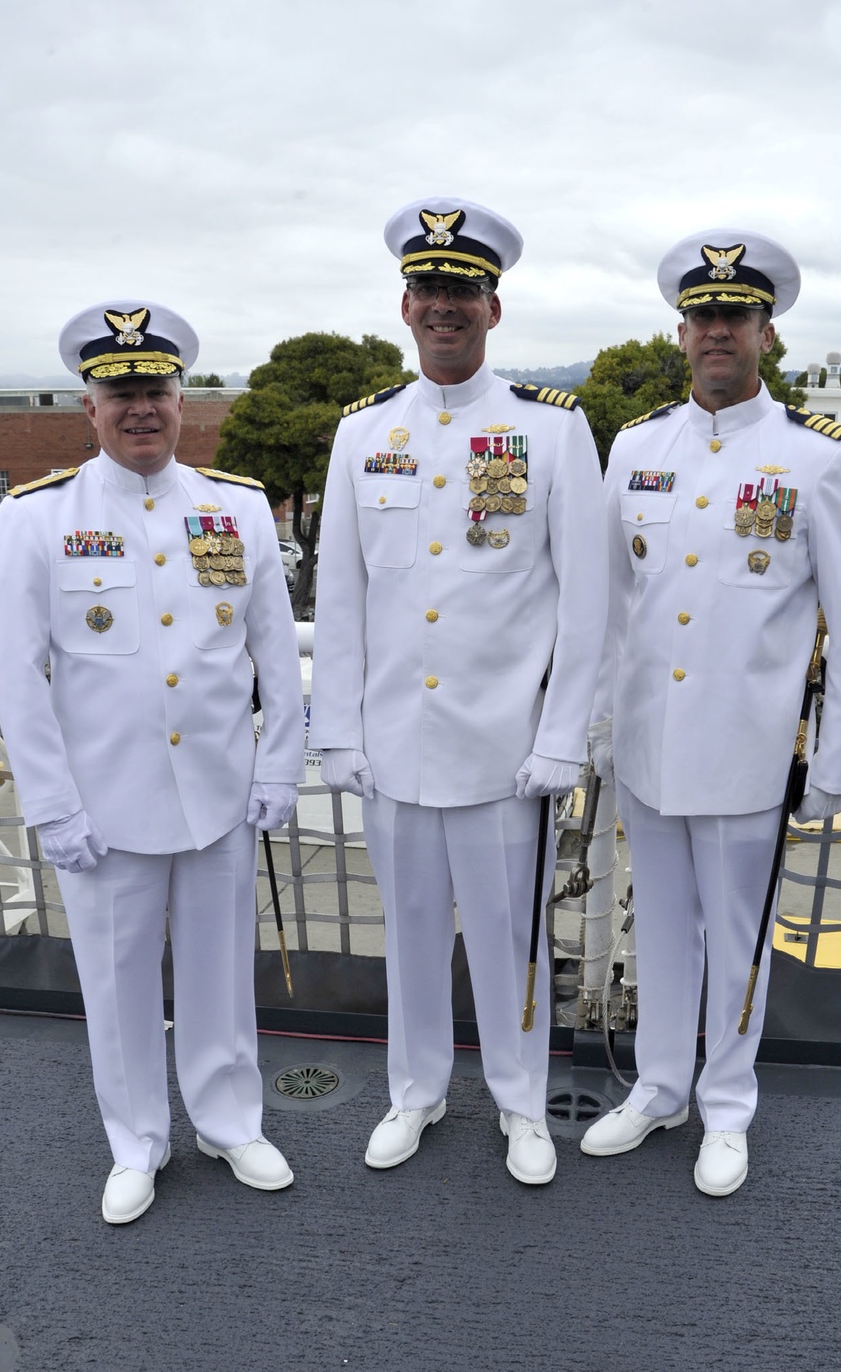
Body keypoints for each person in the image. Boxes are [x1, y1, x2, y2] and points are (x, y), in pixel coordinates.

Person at [309, 198, 607, 1185]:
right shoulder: (362, 434)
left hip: (503, 750)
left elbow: (587, 601)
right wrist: (337, 729)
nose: (446, 307)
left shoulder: (553, 431)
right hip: (393, 744)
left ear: (493, 307)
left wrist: (562, 735)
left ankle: (522, 1103)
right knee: (408, 938)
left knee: (511, 943)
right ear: (405, 305)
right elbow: (341, 593)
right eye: (430, 289)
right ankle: (416, 1091)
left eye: (463, 291)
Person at [0, 301, 305, 1224]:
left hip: (217, 792)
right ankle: (136, 1141)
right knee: (117, 984)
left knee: (219, 973)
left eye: (156, 391)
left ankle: (230, 1120)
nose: (140, 409)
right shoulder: (39, 517)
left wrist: (278, 769)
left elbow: (274, 658)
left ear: (182, 401)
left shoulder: (234, 508)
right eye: (119, 392)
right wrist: (52, 806)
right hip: (104, 803)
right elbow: (19, 673)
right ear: (88, 406)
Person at [581, 230, 841, 1195]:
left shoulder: (815, 460)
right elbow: (610, 608)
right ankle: (661, 1085)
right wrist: (596, 725)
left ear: (766, 332)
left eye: (737, 317)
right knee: (660, 927)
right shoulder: (635, 448)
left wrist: (832, 766)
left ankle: (728, 1104)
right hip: (649, 745)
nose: (719, 332)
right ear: (682, 331)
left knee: (740, 935)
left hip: (749, 749)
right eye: (704, 316)